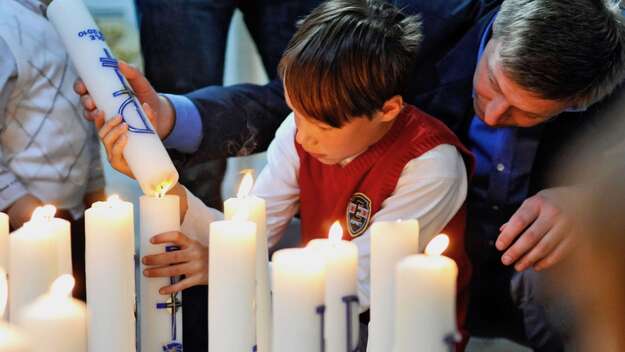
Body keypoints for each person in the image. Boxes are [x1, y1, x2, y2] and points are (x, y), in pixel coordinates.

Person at [77, 0, 625, 349]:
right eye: (493, 85)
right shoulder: (415, 31)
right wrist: (162, 166)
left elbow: (356, 290)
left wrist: (596, 197)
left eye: (528, 112)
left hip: (397, 310)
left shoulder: (429, 164)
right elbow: (249, 225)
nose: (496, 116)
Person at [89, 0, 474, 349]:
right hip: (312, 319)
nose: (303, 137)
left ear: (387, 110)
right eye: (294, 111)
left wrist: (226, 266)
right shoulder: (298, 131)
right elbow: (247, 233)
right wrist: (157, 177)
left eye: (322, 127)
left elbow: (358, 285)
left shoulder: (431, 165)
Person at [135, 2, 318, 349]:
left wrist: (231, 267)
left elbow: (311, 95)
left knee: (327, 85)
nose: (305, 130)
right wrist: (167, 121)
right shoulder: (297, 132)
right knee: (191, 204)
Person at [0, 0, 105, 300]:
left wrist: (96, 194)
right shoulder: (6, 26)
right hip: (21, 221)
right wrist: (17, 203)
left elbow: (87, 115)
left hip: (77, 215)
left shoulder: (70, 17)